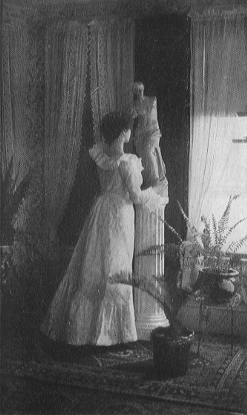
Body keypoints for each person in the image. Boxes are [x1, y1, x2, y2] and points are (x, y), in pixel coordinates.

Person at [40, 112, 166, 347]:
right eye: (128, 129)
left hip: (101, 211)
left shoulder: (102, 156)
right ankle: (110, 334)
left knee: (96, 264)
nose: (130, 132)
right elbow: (135, 195)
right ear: (122, 133)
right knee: (114, 266)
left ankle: (89, 331)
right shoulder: (126, 160)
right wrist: (156, 193)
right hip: (119, 213)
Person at [132, 82, 168, 196]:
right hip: (141, 134)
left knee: (150, 150)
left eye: (141, 89)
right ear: (134, 92)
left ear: (143, 89)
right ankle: (150, 180)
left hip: (153, 131)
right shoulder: (135, 105)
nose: (139, 92)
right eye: (137, 90)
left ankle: (156, 178)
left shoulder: (153, 99)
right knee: (144, 156)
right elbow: (131, 116)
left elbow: (151, 113)